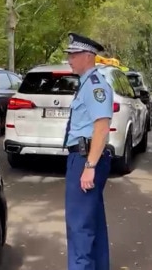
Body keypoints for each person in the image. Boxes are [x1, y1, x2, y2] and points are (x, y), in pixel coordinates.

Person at [63, 32, 113, 270]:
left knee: (79, 226)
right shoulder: (86, 84)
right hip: (84, 157)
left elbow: (101, 128)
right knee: (91, 220)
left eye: (73, 55)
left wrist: (89, 167)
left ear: (87, 56)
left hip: (85, 158)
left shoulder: (95, 87)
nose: (69, 59)